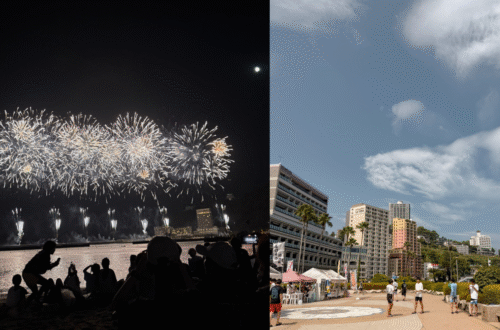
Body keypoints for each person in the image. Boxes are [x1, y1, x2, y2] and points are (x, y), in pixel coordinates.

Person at [22, 240, 61, 305]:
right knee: (46, 284)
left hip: (27, 273)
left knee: (36, 292)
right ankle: (40, 299)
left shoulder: (43, 253)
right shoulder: (46, 254)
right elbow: (47, 266)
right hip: (29, 274)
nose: (54, 250)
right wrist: (55, 264)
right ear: (50, 248)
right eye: (54, 248)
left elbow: (46, 266)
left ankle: (31, 302)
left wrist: (53, 264)